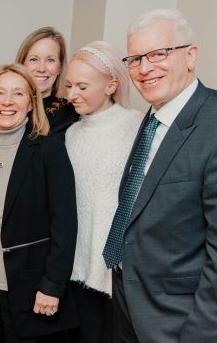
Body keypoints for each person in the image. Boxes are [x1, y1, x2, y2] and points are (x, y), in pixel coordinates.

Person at [104, 9, 217, 343]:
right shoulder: (153, 117)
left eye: (158, 54)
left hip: (184, 325)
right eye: (134, 59)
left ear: (190, 56)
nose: (144, 69)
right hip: (131, 308)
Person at [0, 64, 78, 342]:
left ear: (30, 103)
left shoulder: (50, 152)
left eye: (18, 94)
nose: (7, 101)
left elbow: (65, 224)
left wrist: (52, 286)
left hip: (33, 292)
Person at [62, 41, 142, 343]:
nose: (71, 95)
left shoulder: (136, 127)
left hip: (117, 273)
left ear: (111, 85)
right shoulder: (71, 134)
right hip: (74, 272)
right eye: (69, 85)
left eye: (82, 86)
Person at [15, 27, 78, 140]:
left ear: (60, 67)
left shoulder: (72, 112)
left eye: (50, 60)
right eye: (34, 59)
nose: (41, 68)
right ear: (22, 64)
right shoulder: (5, 106)